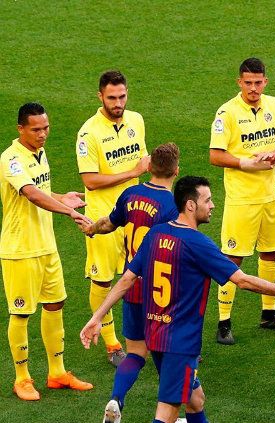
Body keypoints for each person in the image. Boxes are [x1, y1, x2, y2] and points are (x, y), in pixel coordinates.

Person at [80, 176, 275, 423]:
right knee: (168, 412)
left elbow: (126, 280)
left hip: (155, 333)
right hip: (180, 343)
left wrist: (97, 317)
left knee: (196, 400)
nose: (213, 205)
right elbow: (243, 281)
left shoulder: (155, 234)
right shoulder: (198, 244)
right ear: (191, 205)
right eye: (208, 200)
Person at [1, 103, 94, 400]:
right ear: (21, 129)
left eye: (46, 128)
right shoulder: (11, 159)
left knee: (55, 304)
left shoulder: (39, 153)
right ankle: (22, 378)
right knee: (22, 312)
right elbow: (29, 193)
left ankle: (57, 372)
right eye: (36, 129)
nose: (43, 134)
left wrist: (61, 196)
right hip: (20, 249)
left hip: (46, 245)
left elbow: (41, 190)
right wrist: (67, 211)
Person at [82, 143, 180, 423]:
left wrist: (90, 228)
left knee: (136, 352)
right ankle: (173, 414)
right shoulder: (171, 206)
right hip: (160, 291)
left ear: (149, 167)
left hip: (131, 287)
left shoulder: (130, 194)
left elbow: (109, 224)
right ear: (176, 170)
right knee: (169, 355)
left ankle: (116, 398)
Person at [209, 57, 275, 343]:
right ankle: (224, 322)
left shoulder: (273, 105)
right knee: (232, 260)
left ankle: (269, 313)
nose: (253, 88)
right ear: (239, 82)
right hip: (241, 200)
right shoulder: (227, 113)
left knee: (271, 253)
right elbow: (215, 155)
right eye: (248, 83)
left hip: (270, 196)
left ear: (265, 82)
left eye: (258, 82)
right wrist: (246, 163)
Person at [76, 70, 150, 366]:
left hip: (134, 217)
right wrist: (132, 173)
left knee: (136, 276)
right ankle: (111, 344)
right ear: (100, 97)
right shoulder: (88, 133)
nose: (118, 103)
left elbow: (144, 161)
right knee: (104, 280)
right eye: (112, 98)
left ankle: (140, 336)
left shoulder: (136, 120)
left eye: (122, 96)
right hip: (102, 218)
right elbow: (90, 180)